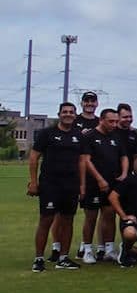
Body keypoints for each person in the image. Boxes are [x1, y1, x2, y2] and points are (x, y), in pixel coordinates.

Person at [28, 101, 88, 271]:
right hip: (50, 184)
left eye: (71, 112)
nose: (68, 114)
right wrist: (33, 182)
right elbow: (34, 158)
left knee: (67, 220)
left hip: (71, 185)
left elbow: (82, 162)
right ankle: (39, 259)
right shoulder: (47, 134)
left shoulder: (79, 136)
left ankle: (63, 258)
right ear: (59, 114)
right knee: (46, 220)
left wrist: (82, 185)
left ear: (75, 115)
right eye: (65, 112)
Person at [79, 107, 129, 264]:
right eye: (111, 121)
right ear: (101, 120)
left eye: (116, 121)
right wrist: (99, 179)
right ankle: (87, 249)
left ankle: (108, 249)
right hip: (93, 183)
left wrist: (125, 173)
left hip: (112, 183)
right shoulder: (90, 136)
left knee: (109, 214)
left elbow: (124, 157)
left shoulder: (116, 136)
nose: (114, 124)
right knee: (91, 217)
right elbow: (86, 160)